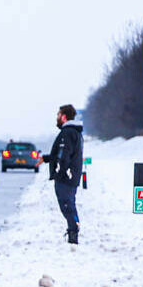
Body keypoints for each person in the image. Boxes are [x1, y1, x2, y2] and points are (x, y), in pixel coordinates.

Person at [44, 103, 84, 244]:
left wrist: (60, 173)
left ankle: (73, 233)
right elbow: (64, 153)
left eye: (58, 114)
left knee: (67, 205)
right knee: (68, 204)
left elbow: (64, 155)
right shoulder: (74, 132)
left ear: (64, 117)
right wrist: (46, 159)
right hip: (70, 175)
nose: (57, 117)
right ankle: (73, 230)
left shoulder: (67, 133)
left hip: (66, 177)